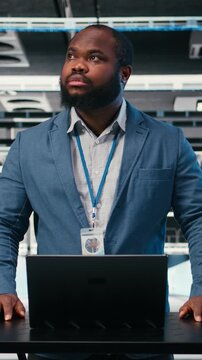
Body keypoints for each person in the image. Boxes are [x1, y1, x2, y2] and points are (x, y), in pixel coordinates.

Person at [0, 24, 202, 360]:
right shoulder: (28, 146)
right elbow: (4, 225)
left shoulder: (167, 142)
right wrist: (3, 286)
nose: (77, 65)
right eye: (71, 56)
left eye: (94, 57)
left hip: (144, 332)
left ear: (124, 74)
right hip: (55, 335)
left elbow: (197, 219)